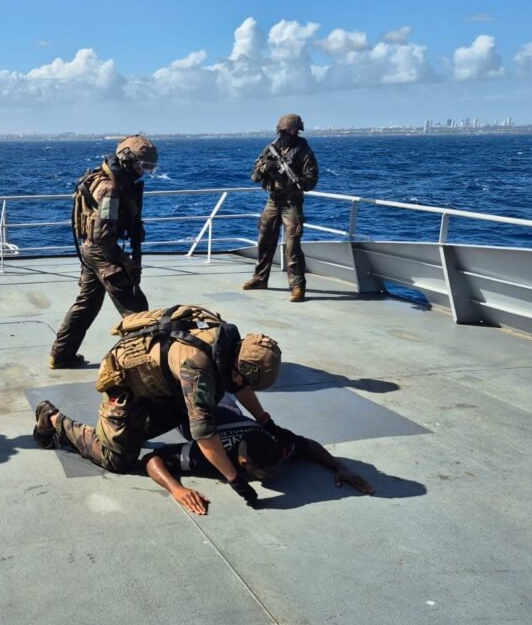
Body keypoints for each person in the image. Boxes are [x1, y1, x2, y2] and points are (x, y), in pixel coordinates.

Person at [35, 304, 282, 495]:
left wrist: (265, 422)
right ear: (239, 369)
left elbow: (240, 389)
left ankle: (131, 431)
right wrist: (235, 479)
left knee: (203, 402)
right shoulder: (198, 368)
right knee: (118, 459)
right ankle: (52, 418)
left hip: (160, 382)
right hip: (126, 385)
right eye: (244, 380)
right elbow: (204, 434)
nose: (244, 387)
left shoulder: (228, 346)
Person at [143, 396, 375, 514]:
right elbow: (154, 459)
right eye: (267, 473)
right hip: (189, 402)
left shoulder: (279, 445)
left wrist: (338, 466)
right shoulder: (211, 454)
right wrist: (176, 489)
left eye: (276, 467)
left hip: (225, 402)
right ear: (242, 462)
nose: (274, 474)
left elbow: (308, 445)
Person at [48, 135, 158, 369]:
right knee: (135, 307)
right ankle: (145, 365)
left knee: (87, 303)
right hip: (102, 252)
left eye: (149, 168)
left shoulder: (107, 178)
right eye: (142, 166)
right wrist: (123, 260)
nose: (143, 172)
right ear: (128, 159)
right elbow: (103, 235)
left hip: (92, 250)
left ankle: (61, 354)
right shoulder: (110, 189)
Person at [243, 114, 319, 302]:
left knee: (292, 246)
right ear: (282, 130)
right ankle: (260, 278)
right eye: (290, 130)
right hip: (273, 200)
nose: (293, 133)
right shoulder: (271, 148)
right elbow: (254, 176)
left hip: (291, 202)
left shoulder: (303, 151)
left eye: (295, 130)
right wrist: (266, 168)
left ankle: (297, 286)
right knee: (264, 240)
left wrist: (293, 180)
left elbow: (311, 179)